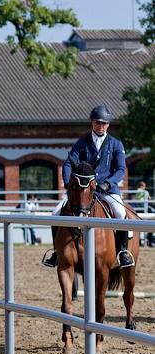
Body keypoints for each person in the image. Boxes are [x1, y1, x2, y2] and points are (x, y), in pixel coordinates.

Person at [43, 104, 133, 268]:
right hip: (82, 190)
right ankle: (57, 252)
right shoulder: (81, 143)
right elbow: (69, 163)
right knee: (55, 212)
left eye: (104, 123)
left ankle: (122, 252)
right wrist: (69, 183)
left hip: (107, 190)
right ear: (92, 123)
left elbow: (120, 169)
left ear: (108, 125)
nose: (101, 126)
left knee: (120, 212)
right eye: (98, 122)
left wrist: (108, 183)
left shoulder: (116, 144)